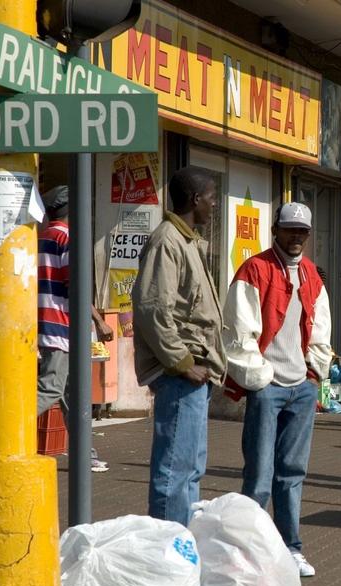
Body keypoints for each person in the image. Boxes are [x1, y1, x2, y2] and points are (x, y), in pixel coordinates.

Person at [222, 202, 331, 577]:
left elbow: (320, 328)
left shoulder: (312, 274)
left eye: (302, 231)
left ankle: (291, 548)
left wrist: (315, 374)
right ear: (275, 230)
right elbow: (238, 330)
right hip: (267, 387)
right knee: (260, 472)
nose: (296, 236)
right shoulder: (255, 269)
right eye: (289, 230)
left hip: (301, 388)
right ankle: (246, 550)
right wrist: (259, 375)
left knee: (292, 471)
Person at [133, 166, 225, 526]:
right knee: (174, 470)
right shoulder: (168, 240)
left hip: (193, 374)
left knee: (189, 468)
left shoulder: (186, 241)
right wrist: (182, 362)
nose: (215, 206)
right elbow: (153, 306)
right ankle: (166, 552)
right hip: (180, 375)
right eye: (213, 198)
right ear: (196, 199)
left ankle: (182, 546)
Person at [36, 185, 114, 473]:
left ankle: (86, 453)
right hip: (61, 325)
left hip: (46, 322)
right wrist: (99, 320)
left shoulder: (43, 236)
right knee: (52, 387)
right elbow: (75, 288)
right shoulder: (66, 238)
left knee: (72, 395)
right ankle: (8, 429)